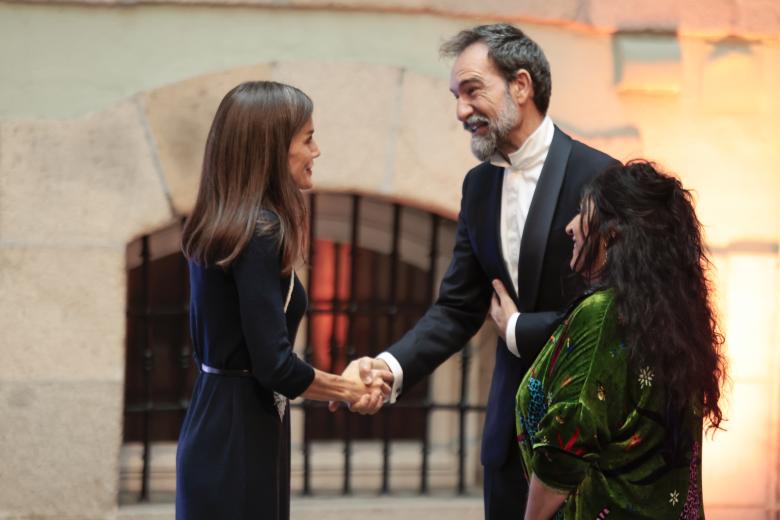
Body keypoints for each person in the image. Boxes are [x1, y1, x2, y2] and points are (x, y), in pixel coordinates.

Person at [345, 24, 619, 518]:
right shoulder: (478, 187)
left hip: (588, 437)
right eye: (456, 96)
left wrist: (517, 328)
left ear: (521, 85)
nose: (461, 110)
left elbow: (623, 312)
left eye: (472, 90)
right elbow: (457, 307)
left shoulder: (603, 178)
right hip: (508, 445)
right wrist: (389, 367)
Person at [175, 81, 389, 520]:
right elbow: (273, 364)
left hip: (219, 420)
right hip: (240, 431)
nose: (317, 151)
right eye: (308, 139)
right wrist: (349, 388)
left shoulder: (220, 220)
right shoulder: (259, 230)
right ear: (273, 148)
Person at [512, 161, 726, 519]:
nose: (570, 227)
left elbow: (565, 446)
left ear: (612, 235)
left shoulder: (602, 314)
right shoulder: (669, 321)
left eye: (582, 212)